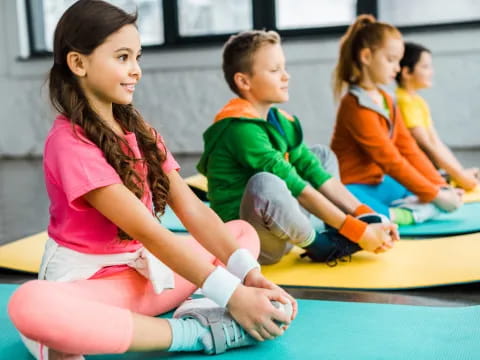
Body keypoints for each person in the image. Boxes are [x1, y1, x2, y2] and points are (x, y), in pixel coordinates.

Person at [7, 1, 296, 359]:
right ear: (78, 63)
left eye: (137, 57)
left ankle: (199, 308)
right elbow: (149, 230)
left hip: (146, 277)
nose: (136, 70)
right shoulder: (69, 143)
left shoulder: (140, 132)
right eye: (123, 57)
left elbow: (192, 209)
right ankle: (194, 331)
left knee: (242, 235)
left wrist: (251, 278)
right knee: (30, 305)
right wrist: (233, 295)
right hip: (94, 287)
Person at [197, 30, 398, 267]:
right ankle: (321, 247)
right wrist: (361, 234)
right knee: (264, 182)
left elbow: (313, 170)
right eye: (274, 70)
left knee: (320, 155)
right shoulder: (239, 129)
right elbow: (299, 188)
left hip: (287, 227)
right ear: (244, 81)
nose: (286, 77)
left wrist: (366, 217)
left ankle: (335, 229)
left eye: (284, 68)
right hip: (253, 245)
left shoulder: (280, 120)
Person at [330, 15, 463, 226]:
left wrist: (440, 187)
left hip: (379, 183)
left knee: (413, 184)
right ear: (366, 57)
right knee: (346, 204)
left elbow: (408, 147)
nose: (397, 68)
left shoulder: (387, 99)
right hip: (352, 186)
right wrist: (435, 197)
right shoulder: (354, 105)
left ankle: (412, 208)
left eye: (399, 61)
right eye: (391, 60)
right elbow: (389, 159)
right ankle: (408, 215)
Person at [395, 42, 479, 190]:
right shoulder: (404, 102)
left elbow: (436, 142)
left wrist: (460, 172)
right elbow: (427, 145)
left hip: (429, 171)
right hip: (416, 176)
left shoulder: (417, 101)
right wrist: (459, 176)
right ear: (406, 72)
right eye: (425, 67)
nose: (431, 72)